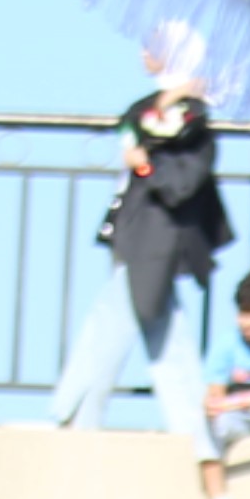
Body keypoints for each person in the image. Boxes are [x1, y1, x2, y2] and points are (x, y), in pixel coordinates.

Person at [53, 33, 224, 436]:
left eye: (155, 45)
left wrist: (145, 165)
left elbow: (178, 179)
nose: (144, 52)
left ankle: (75, 412)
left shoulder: (193, 117)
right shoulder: (160, 106)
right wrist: (171, 97)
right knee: (161, 332)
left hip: (157, 239)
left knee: (113, 322)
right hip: (138, 234)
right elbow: (132, 122)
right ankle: (194, 433)